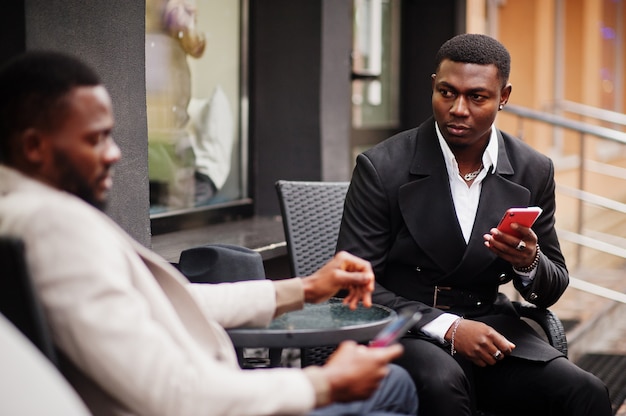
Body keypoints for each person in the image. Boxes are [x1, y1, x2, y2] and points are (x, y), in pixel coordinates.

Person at [0, 51, 418, 416]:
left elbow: (166, 300)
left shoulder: (26, 215)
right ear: (34, 147)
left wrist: (305, 288)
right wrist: (322, 383)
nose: (114, 153)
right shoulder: (55, 229)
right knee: (396, 386)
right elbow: (173, 393)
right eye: (95, 139)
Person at [336, 33, 612, 416]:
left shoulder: (533, 169)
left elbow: (551, 287)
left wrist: (529, 262)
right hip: (408, 328)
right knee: (443, 383)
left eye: (476, 97)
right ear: (434, 85)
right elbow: (352, 287)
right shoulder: (382, 167)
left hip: (491, 326)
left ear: (504, 96)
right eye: (446, 92)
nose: (458, 109)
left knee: (585, 391)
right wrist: (448, 328)